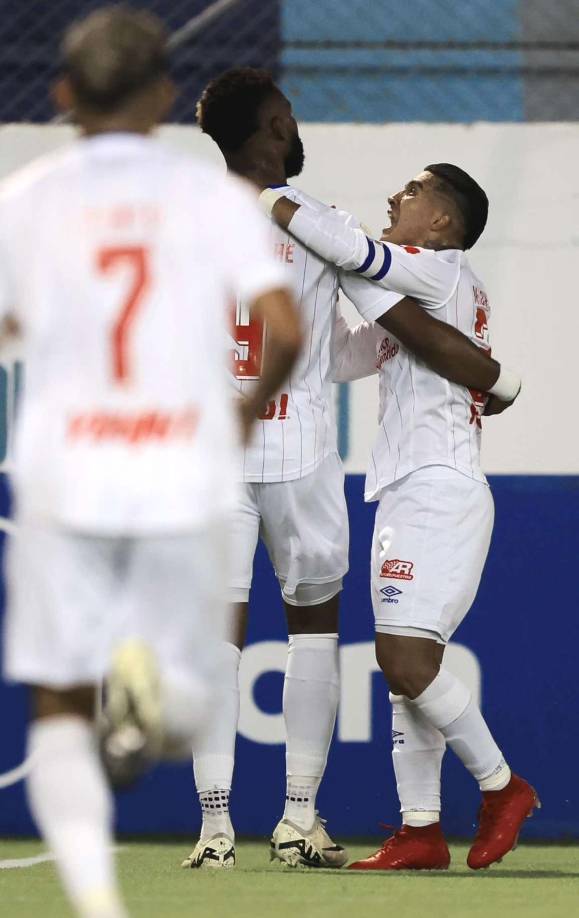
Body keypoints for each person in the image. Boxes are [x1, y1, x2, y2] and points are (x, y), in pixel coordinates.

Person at [0, 11, 300, 918]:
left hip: (65, 468)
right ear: (166, 97)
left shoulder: (30, 196)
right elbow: (282, 332)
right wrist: (240, 417)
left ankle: (97, 903)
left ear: (61, 96)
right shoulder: (206, 201)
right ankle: (148, 683)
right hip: (173, 463)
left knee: (60, 703)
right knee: (177, 709)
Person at [183, 67, 522, 870]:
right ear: (270, 132)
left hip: (211, 452)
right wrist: (495, 376)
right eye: (289, 117)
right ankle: (300, 817)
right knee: (315, 635)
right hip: (300, 451)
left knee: (214, 640)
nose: (296, 128)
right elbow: (389, 330)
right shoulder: (317, 225)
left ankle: (214, 828)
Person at [262, 166, 537, 870]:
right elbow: (338, 354)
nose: (393, 198)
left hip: (438, 488)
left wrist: (271, 198)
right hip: (407, 491)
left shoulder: (440, 271)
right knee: (406, 668)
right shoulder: (419, 299)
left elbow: (355, 254)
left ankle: (501, 787)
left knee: (404, 661)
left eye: (412, 193)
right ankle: (420, 830)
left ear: (441, 224)